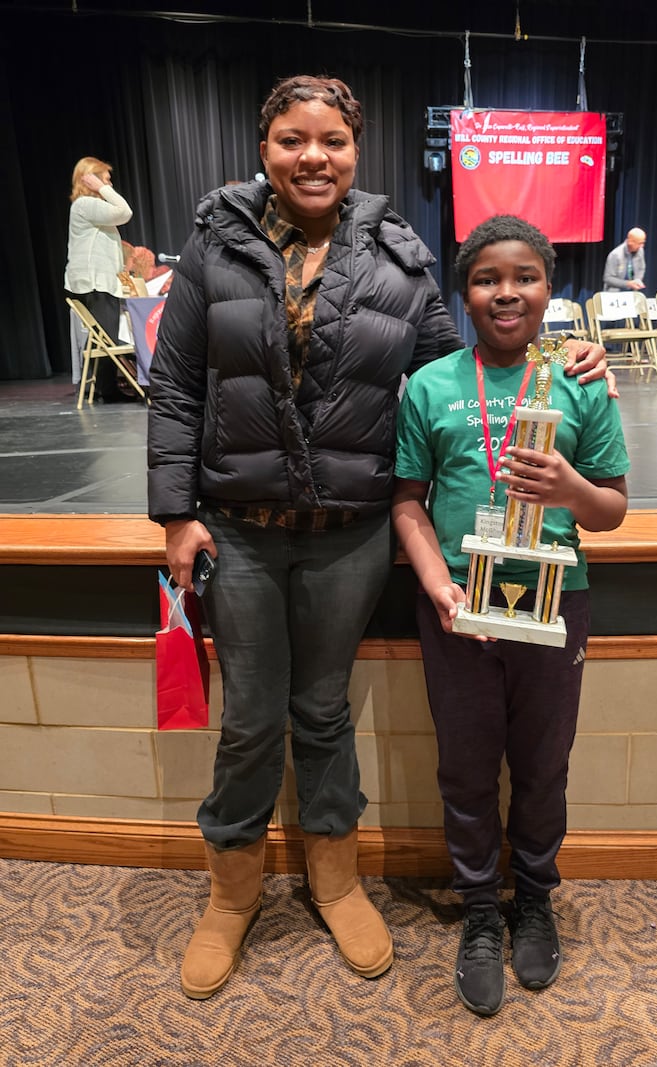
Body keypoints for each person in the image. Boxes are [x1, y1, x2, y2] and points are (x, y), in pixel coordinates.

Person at [146, 75, 610, 1002]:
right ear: (264, 145)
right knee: (248, 722)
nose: (312, 155)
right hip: (238, 526)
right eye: (290, 138)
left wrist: (567, 352)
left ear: (357, 150)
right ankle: (229, 897)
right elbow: (176, 385)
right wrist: (176, 512)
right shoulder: (211, 245)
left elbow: (465, 366)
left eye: (332, 140)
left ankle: (337, 878)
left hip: (349, 534)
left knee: (322, 712)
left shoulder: (400, 257)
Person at [392, 215, 629, 1017]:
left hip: (556, 601)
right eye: (488, 278)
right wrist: (437, 585)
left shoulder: (580, 379)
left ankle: (534, 896)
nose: (506, 292)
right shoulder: (430, 387)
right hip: (460, 607)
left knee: (542, 763)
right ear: (464, 293)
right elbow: (408, 505)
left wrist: (570, 490)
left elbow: (612, 511)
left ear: (548, 288)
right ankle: (481, 912)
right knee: (464, 767)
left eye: (524, 276)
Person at [64, 156, 135, 402]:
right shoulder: (86, 204)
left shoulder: (90, 208)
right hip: (95, 282)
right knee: (110, 339)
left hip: (97, 281)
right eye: (106, 179)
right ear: (91, 179)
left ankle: (107, 389)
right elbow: (125, 212)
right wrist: (100, 188)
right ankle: (117, 387)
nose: (110, 185)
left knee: (105, 337)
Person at [602, 227, 646, 292]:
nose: (642, 246)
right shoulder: (615, 255)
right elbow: (608, 278)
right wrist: (628, 284)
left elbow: (641, 268)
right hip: (615, 293)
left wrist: (637, 280)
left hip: (632, 292)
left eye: (643, 243)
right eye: (639, 243)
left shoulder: (640, 251)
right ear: (630, 242)